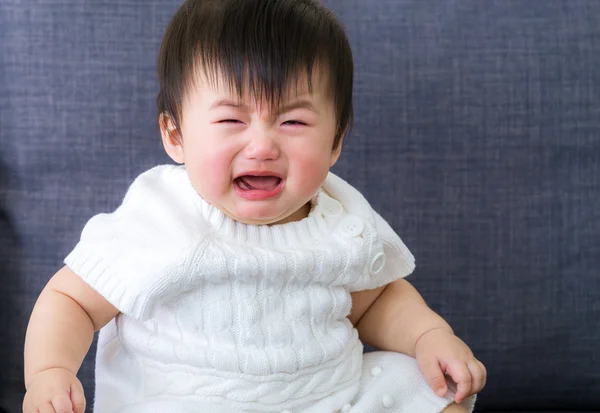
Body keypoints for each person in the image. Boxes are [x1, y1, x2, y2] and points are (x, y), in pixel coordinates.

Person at [22, 0, 486, 412]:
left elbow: (377, 300)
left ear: (336, 143)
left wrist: (428, 336)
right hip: (186, 397)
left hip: (329, 395)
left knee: (432, 388)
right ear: (175, 135)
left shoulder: (341, 220)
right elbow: (72, 301)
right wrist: (48, 373)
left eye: (293, 120)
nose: (262, 145)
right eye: (230, 118)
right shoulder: (160, 219)